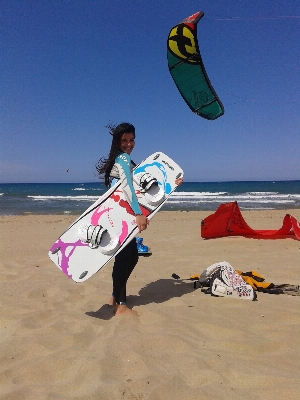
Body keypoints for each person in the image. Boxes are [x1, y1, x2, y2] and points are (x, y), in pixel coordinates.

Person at [96, 122, 183, 316]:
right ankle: (122, 306)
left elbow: (143, 185)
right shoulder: (124, 160)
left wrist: (172, 183)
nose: (129, 144)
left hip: (119, 215)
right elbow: (128, 187)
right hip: (126, 215)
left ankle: (114, 297)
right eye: (124, 140)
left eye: (132, 140)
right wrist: (138, 214)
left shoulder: (121, 160)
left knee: (130, 256)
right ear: (117, 141)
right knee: (125, 258)